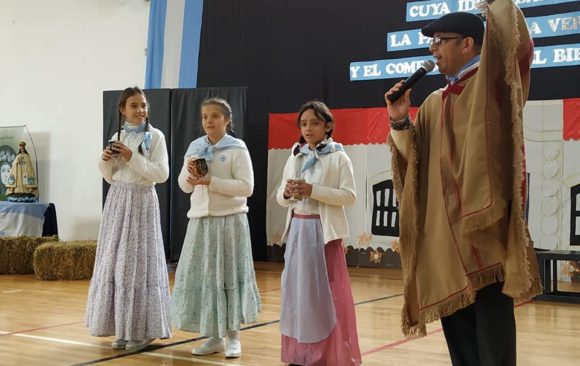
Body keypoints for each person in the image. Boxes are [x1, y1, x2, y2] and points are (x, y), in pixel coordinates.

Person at [384, 1, 542, 365]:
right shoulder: (433, 103)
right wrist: (398, 120)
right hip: (443, 242)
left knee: (493, 342)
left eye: (440, 40)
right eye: (431, 43)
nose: (433, 50)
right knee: (461, 346)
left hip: (483, 239)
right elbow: (416, 163)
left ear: (468, 44)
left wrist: (499, 4)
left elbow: (519, 49)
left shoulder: (495, 88)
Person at [170, 97, 261, 359]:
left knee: (228, 276)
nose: (209, 121)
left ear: (227, 120)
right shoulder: (195, 147)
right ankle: (214, 335)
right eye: (204, 117)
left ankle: (233, 336)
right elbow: (184, 186)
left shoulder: (237, 148)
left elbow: (247, 187)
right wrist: (190, 175)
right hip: (201, 221)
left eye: (215, 116)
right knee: (208, 278)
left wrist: (212, 181)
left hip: (230, 220)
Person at [85, 86, 172, 352]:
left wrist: (131, 157)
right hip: (118, 200)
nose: (140, 110)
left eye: (143, 105)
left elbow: (161, 173)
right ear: (123, 109)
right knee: (116, 265)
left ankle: (142, 329)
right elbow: (110, 175)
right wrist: (105, 159)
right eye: (134, 105)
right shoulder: (117, 135)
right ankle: (122, 328)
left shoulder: (155, 136)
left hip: (141, 201)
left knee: (137, 266)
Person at [276, 100, 361, 366]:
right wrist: (288, 193)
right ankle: (300, 354)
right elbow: (280, 196)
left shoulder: (338, 156)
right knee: (297, 294)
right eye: (303, 123)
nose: (308, 128)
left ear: (328, 126)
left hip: (322, 233)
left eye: (314, 122)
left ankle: (327, 355)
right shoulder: (295, 155)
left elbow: (349, 196)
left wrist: (313, 190)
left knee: (324, 295)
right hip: (298, 231)